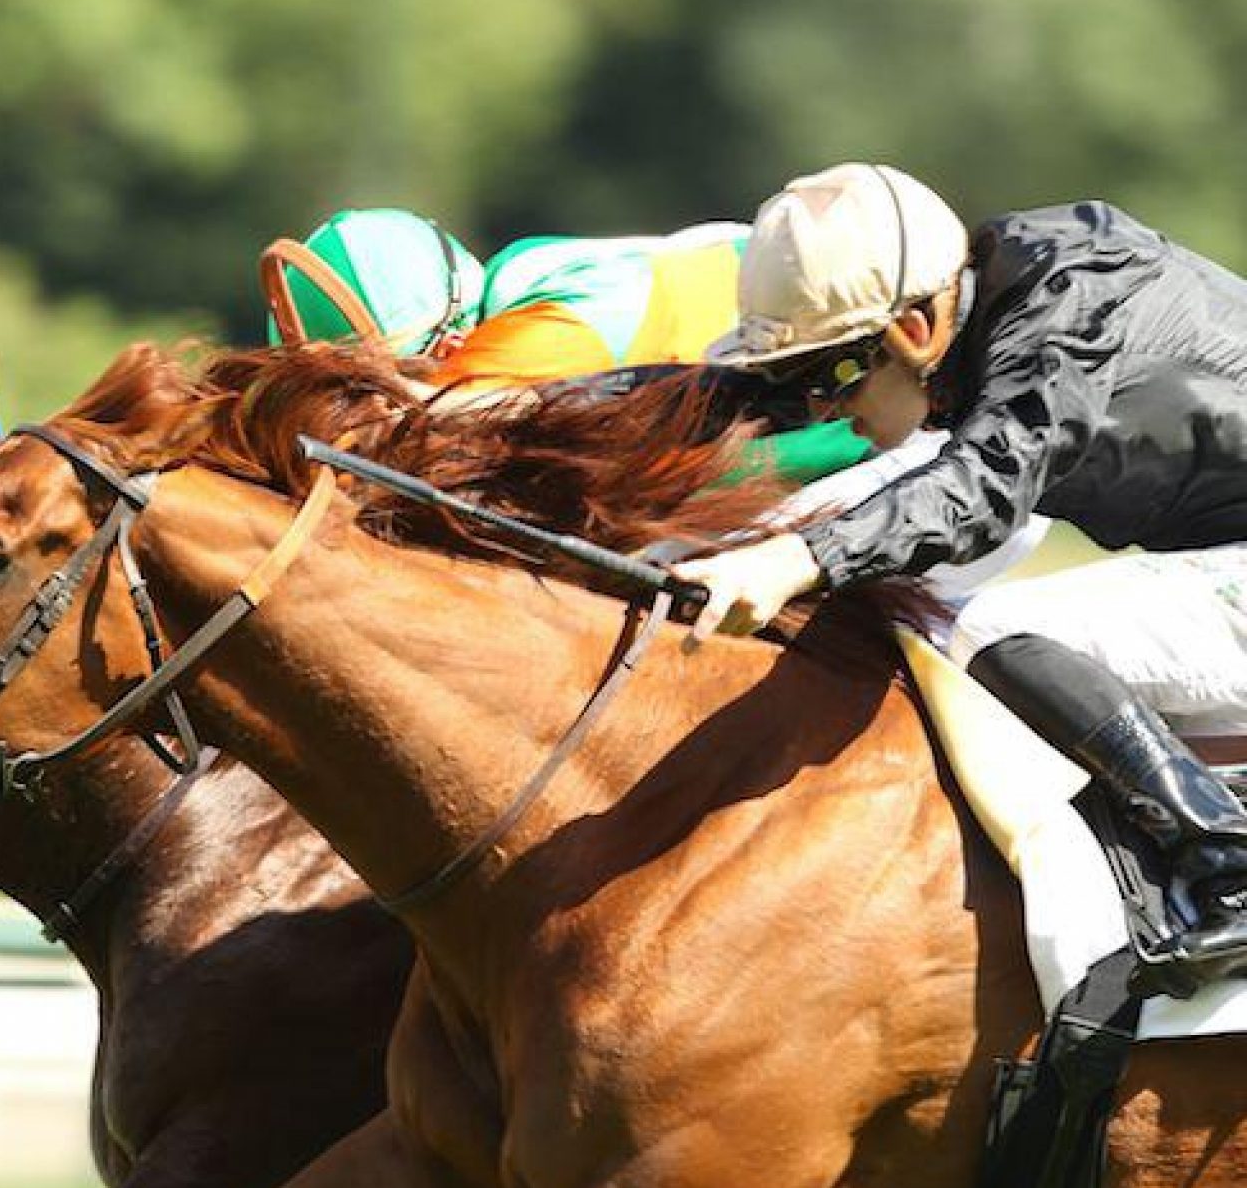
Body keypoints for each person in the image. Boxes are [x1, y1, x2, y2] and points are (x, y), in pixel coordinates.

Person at [676, 161, 1247, 982]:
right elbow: (727, 398)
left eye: (827, 375)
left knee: (997, 629)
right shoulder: (971, 318)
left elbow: (983, 488)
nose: (820, 411)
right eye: (795, 380)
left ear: (912, 330)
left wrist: (801, 556)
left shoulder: (1069, 302)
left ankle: (1231, 870)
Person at [260, 207, 871, 485]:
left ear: (446, 343)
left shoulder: (523, 342)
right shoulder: (526, 263)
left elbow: (407, 445)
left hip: (856, 441)